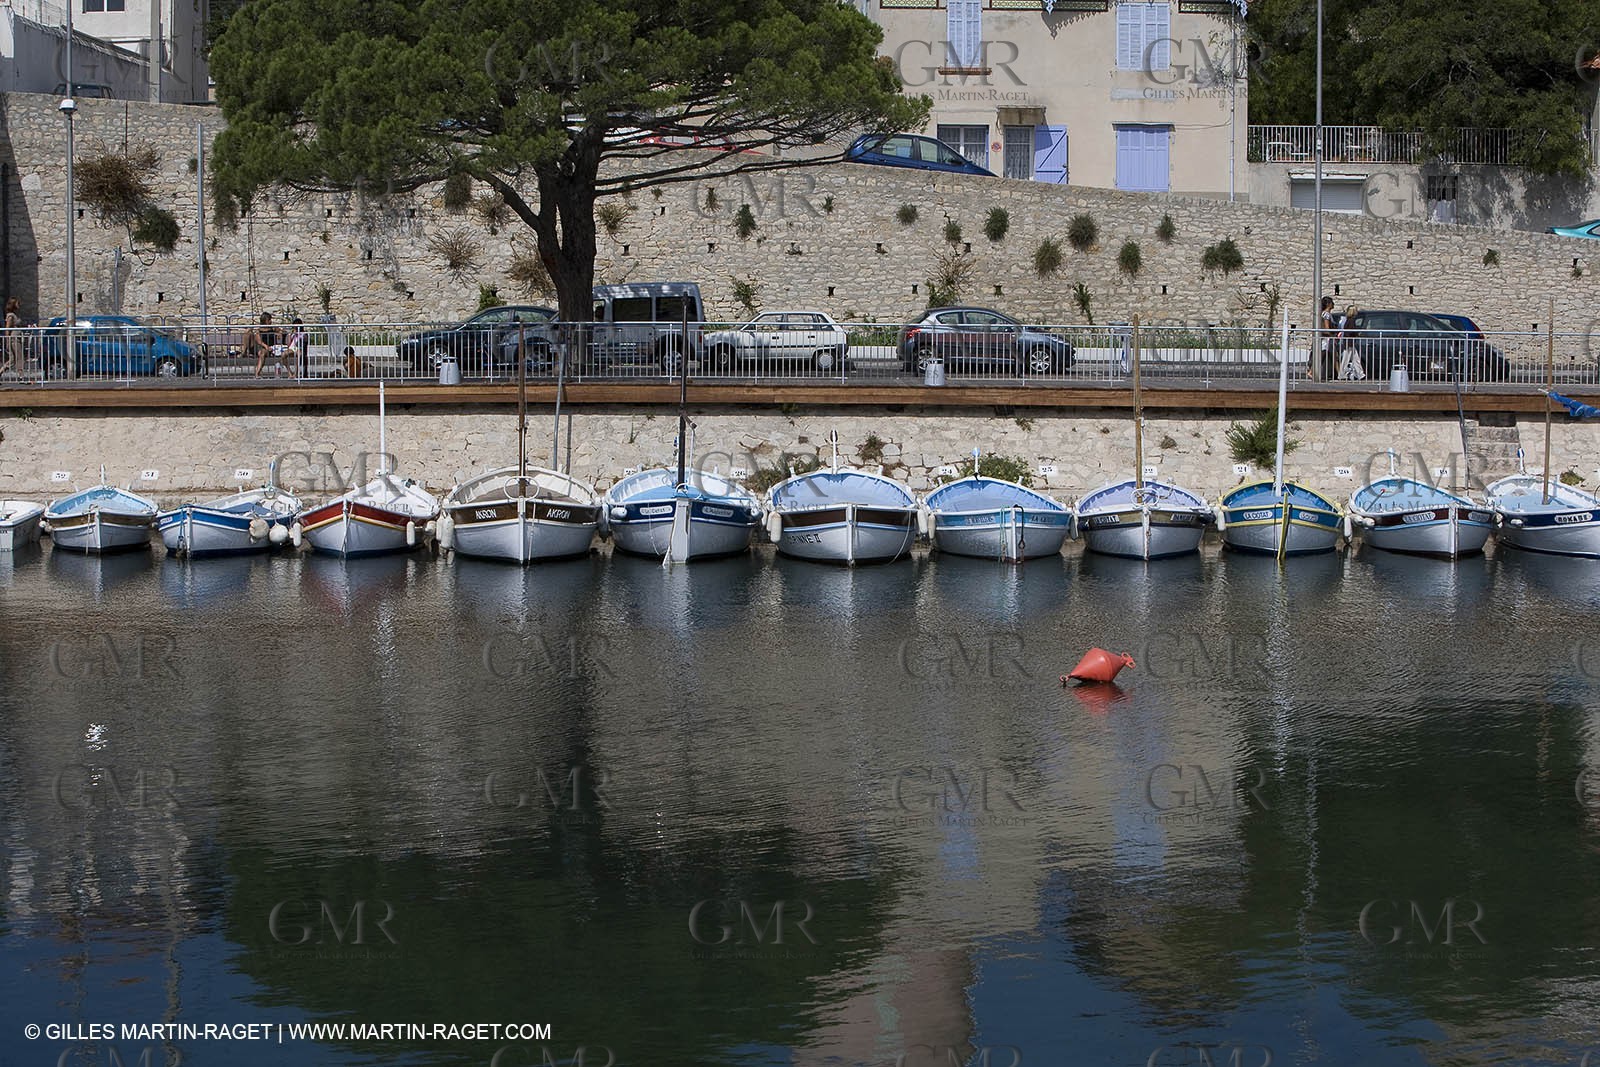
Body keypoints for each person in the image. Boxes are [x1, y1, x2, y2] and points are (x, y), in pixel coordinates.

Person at [248, 312, 283, 377]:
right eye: (269, 320)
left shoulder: (273, 328)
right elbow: (259, 341)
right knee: (262, 353)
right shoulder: (259, 330)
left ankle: (258, 372)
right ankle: (257, 373)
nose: (270, 321)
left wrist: (279, 334)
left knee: (263, 353)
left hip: (272, 347)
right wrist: (265, 346)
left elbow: (281, 331)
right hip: (262, 347)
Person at [1337, 304, 1366, 380]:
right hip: (1349, 342)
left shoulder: (1348, 320)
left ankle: (1360, 374)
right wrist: (1357, 334)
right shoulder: (1351, 320)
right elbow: (1350, 331)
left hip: (1349, 342)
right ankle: (1342, 375)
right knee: (1346, 359)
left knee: (1356, 359)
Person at [1314, 297, 1336, 380]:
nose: (1333, 304)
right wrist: (1331, 334)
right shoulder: (1326, 314)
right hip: (1326, 338)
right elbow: (1327, 327)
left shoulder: (1322, 313)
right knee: (1324, 354)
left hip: (1325, 337)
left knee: (1329, 355)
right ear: (1328, 304)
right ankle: (1312, 371)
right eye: (1331, 302)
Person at [1, 298, 20, 377]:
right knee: (19, 358)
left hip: (16, 338)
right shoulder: (10, 316)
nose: (19, 305)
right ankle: (21, 376)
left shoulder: (14, 315)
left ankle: (1, 371)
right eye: (17, 303)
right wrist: (7, 341)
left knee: (13, 359)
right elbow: (7, 329)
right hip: (14, 339)